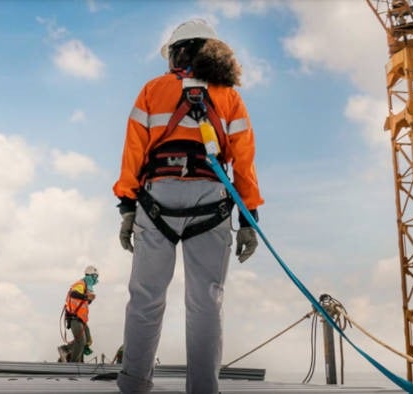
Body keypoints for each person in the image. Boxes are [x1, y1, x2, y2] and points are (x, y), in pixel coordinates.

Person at [113, 19, 263, 393]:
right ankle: (203, 389)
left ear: (178, 53)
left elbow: (133, 151)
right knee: (207, 302)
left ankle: (133, 383)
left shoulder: (152, 90)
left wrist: (127, 205)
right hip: (210, 200)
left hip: (157, 199)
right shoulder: (229, 96)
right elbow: (243, 161)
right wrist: (249, 217)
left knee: (146, 296)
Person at [57, 265, 98, 363]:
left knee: (87, 341)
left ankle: (69, 352)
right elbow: (73, 294)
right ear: (90, 275)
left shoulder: (86, 287)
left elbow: (84, 302)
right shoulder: (81, 284)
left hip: (81, 319)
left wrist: (90, 299)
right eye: (95, 277)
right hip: (75, 318)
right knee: (81, 341)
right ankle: (72, 361)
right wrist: (86, 297)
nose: (95, 279)